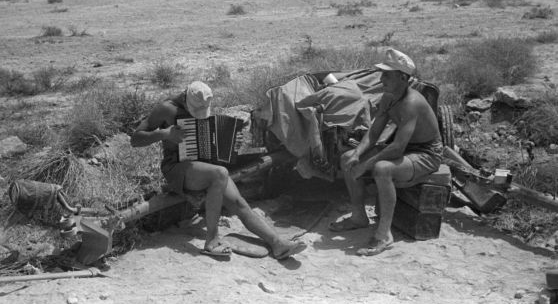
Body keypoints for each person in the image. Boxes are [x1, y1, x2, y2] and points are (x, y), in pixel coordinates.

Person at [130, 81, 306, 260]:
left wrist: (231, 147)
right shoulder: (166, 109)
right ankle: (211, 241)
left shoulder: (203, 105)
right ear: (186, 99)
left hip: (202, 169)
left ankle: (277, 243)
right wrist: (164, 134)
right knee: (220, 173)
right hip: (176, 168)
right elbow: (135, 139)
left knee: (239, 203)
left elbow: (209, 150)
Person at [329, 48, 443, 256]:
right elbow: (374, 131)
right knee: (347, 159)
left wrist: (366, 163)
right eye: (382, 73)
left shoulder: (412, 103)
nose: (382, 79)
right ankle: (358, 217)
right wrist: (357, 155)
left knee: (382, 169)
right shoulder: (389, 97)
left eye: (387, 75)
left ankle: (383, 235)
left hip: (427, 154)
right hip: (406, 148)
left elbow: (397, 148)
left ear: (402, 77)